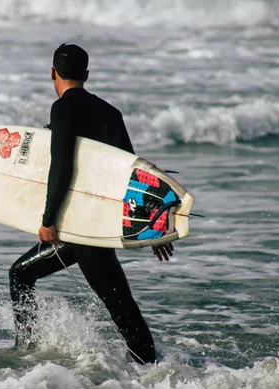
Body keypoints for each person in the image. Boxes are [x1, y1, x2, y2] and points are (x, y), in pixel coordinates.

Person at [9, 43, 174, 364]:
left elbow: (62, 165)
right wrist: (153, 225)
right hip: (94, 223)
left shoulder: (62, 109)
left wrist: (48, 219)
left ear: (52, 73)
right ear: (86, 74)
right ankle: (28, 349)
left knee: (121, 308)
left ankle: (151, 373)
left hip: (80, 226)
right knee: (22, 275)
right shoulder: (111, 113)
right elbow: (133, 171)